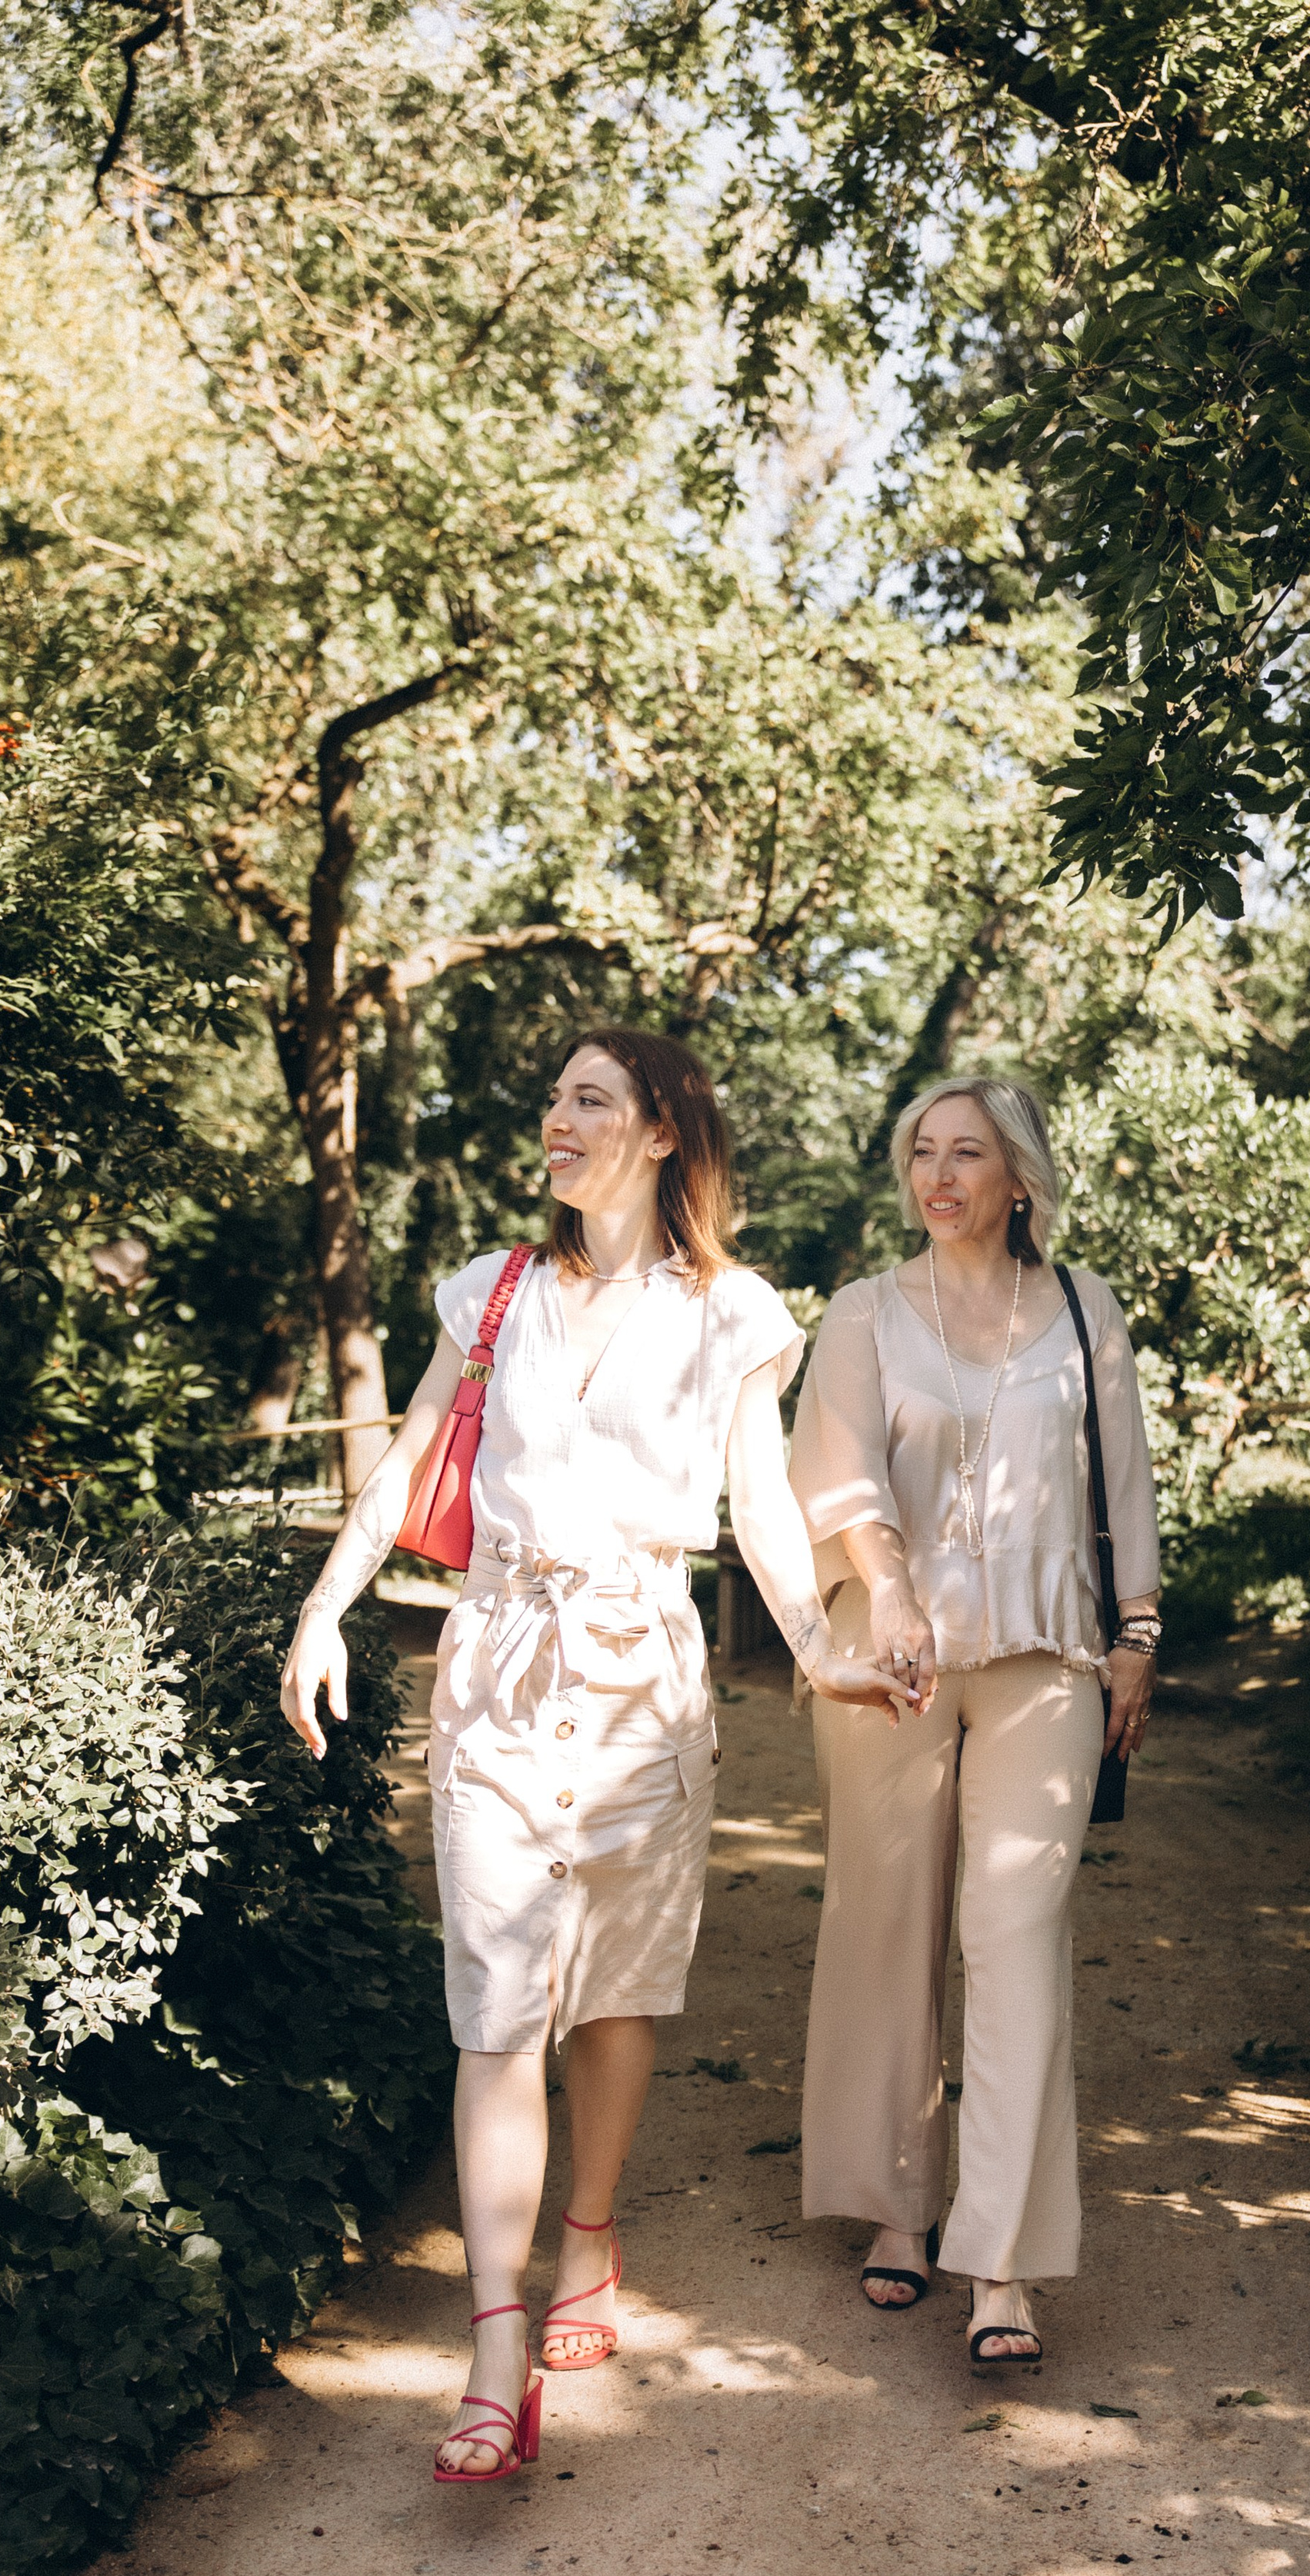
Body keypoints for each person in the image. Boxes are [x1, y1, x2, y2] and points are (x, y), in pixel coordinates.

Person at [281, 1027, 910, 2481]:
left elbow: (761, 1504)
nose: (556, 1119)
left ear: (662, 1134)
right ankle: (494, 2348)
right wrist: (326, 1609)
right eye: (552, 1095)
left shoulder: (732, 1313)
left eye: (589, 1100)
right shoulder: (490, 1291)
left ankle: (591, 2230)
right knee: (497, 2006)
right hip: (498, 1668)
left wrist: (823, 1653)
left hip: (644, 1676)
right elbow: (407, 1459)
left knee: (616, 1991)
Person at [788, 1077, 1162, 2369]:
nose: (940, 1175)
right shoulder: (862, 1315)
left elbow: (1126, 1477)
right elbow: (831, 1478)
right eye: (921, 1153)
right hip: (893, 1663)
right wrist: (887, 1589)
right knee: (886, 1923)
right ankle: (897, 2207)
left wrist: (1140, 1636)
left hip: (1051, 1654)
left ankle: (1001, 2258)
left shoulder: (1080, 1308)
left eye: (969, 1154)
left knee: (1016, 1933)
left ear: (1021, 1178)